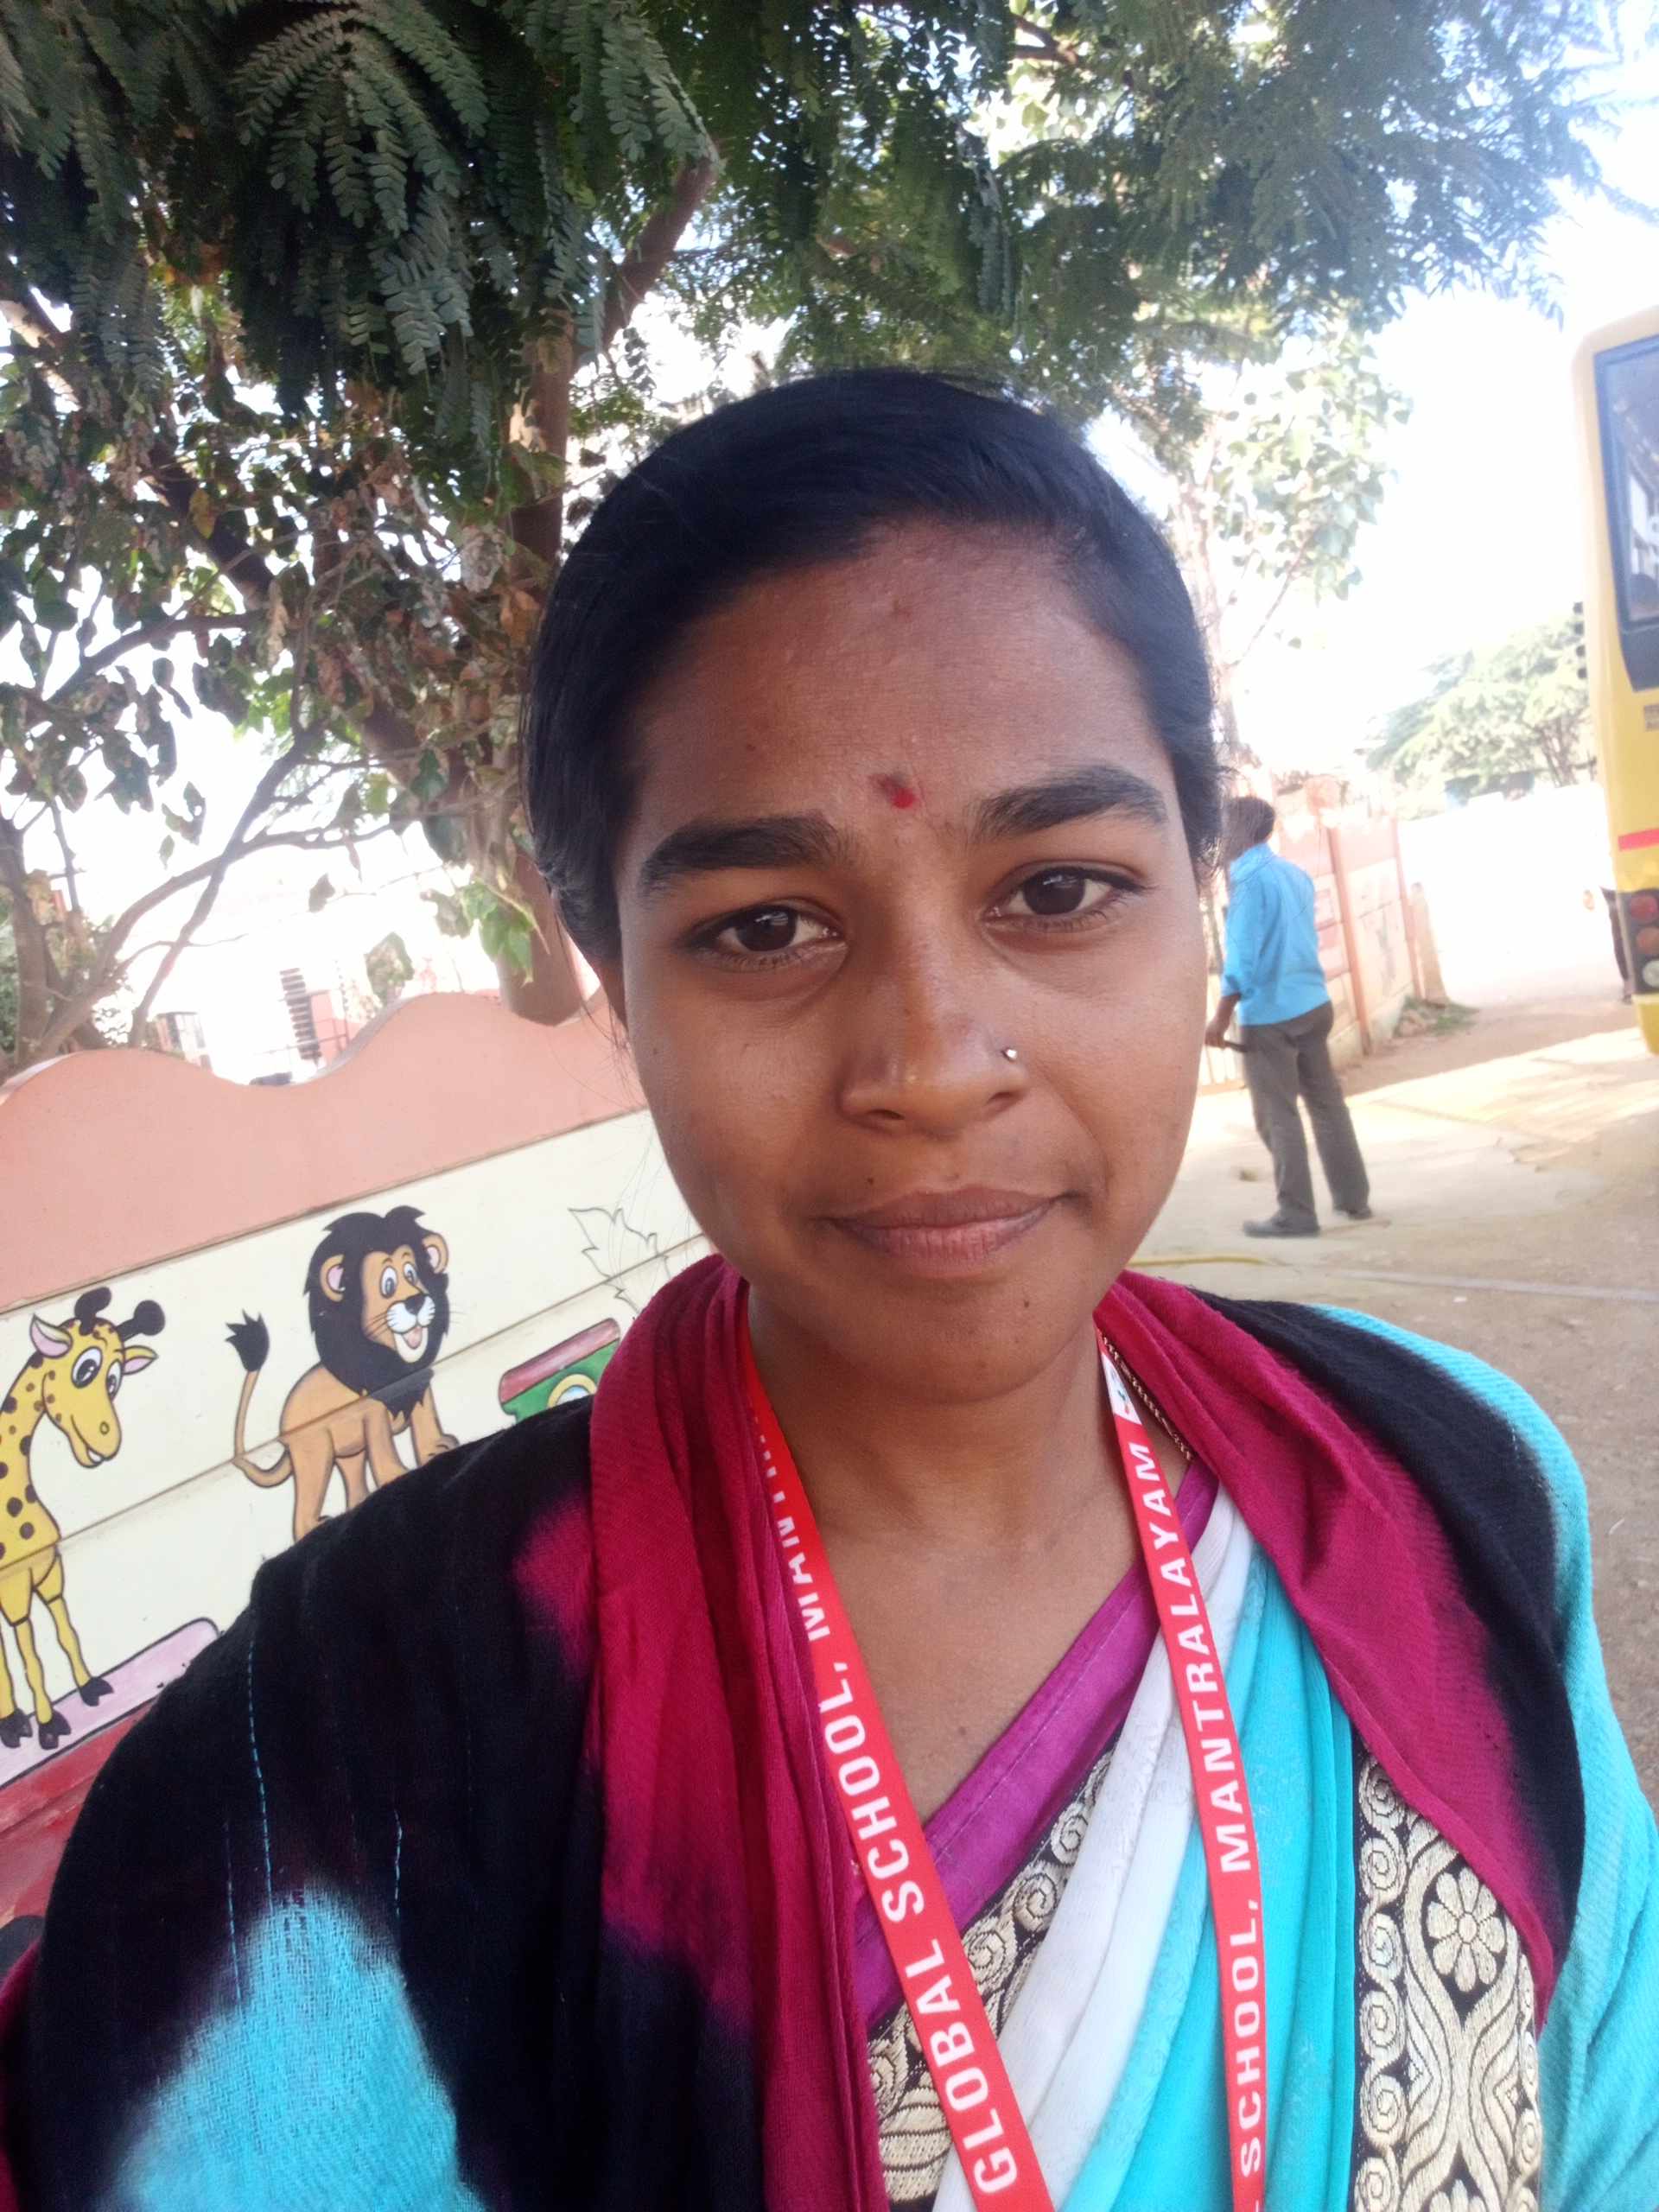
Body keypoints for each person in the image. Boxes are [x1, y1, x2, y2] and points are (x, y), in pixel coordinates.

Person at [3, 372, 1655, 2212]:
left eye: (1060, 888)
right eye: (766, 927)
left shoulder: (1442, 1490)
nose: (934, 1065)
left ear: (1202, 891)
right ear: (615, 980)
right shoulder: (344, 1749)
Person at [1205, 797, 1373, 1238]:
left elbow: (1242, 957)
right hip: (1313, 1003)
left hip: (1271, 1015)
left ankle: (1296, 1214)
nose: (1220, 838)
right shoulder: (1294, 874)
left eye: (1224, 827)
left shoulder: (1246, 880)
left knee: (1277, 1115)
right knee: (1327, 1105)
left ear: (1239, 830)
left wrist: (1220, 1018)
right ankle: (1353, 1199)